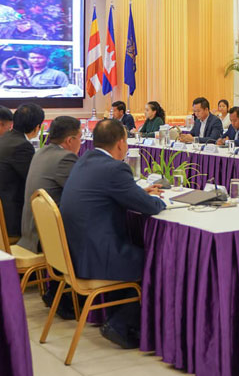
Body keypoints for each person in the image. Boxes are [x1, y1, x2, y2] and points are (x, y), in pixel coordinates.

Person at [59, 119, 165, 349]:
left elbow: (109, 192)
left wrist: (137, 192)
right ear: (120, 143)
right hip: (96, 257)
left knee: (134, 253)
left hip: (73, 253)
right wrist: (159, 199)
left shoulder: (85, 160)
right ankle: (121, 324)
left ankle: (119, 320)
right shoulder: (115, 168)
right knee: (155, 260)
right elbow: (150, 207)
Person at [17, 116, 81, 252]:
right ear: (70, 140)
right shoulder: (65, 158)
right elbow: (82, 193)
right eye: (79, 138)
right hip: (45, 239)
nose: (80, 143)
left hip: (30, 234)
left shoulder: (40, 152)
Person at [0, 103, 45, 236]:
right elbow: (33, 181)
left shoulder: (5, 138)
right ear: (37, 127)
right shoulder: (21, 146)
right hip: (8, 218)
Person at [2, 48, 70, 88]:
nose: (36, 60)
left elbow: (65, 92)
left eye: (40, 58)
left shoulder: (58, 74)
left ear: (48, 59)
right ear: (28, 59)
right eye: (33, 58)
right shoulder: (21, 73)